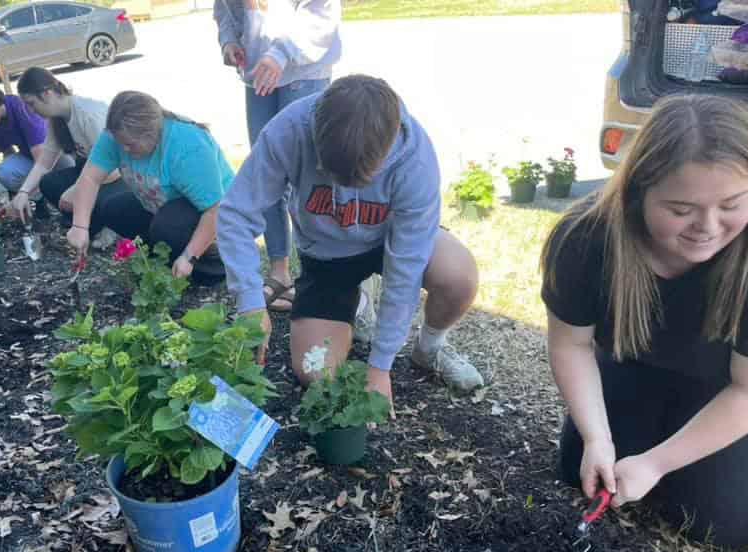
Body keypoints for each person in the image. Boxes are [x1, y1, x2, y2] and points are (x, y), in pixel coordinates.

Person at [541, 94, 748, 548]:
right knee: (579, 469)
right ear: (639, 190)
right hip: (632, 364)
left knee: (721, 526)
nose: (708, 225)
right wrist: (596, 438)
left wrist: (657, 462)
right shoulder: (585, 239)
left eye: (731, 204)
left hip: (727, 387)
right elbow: (572, 345)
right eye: (681, 210)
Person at [216, 74, 485, 402]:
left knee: (458, 276)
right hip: (326, 255)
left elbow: (406, 268)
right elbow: (236, 214)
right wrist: (251, 303)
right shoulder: (287, 131)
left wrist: (380, 367)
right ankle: (356, 303)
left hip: (389, 242)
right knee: (315, 374)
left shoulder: (415, 158)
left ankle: (429, 349)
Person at [213, 0, 341, 312]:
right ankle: (280, 271)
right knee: (266, 173)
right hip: (259, 73)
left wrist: (281, 53)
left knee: (309, 175)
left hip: (304, 71)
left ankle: (318, 271)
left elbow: (321, 13)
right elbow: (225, 8)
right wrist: (230, 40)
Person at [66, 91, 230, 285]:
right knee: (111, 208)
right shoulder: (116, 136)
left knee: (168, 225)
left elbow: (215, 209)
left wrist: (189, 257)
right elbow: (90, 178)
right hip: (163, 205)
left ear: (152, 134)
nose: (123, 149)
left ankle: (211, 267)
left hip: (219, 215)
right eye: (120, 143)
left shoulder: (187, 147)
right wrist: (79, 226)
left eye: (130, 145)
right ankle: (162, 262)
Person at [10, 68, 122, 245]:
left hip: (119, 176)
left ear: (46, 94)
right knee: (49, 183)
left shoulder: (88, 115)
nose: (31, 110)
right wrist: (23, 192)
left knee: (73, 193)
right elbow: (43, 163)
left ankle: (112, 227)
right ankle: (91, 227)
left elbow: (114, 169)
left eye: (31, 103)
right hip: (90, 170)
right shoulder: (57, 118)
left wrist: (77, 189)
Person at [0, 77, 69, 196]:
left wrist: (24, 193)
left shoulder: (22, 109)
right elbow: (8, 153)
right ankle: (39, 202)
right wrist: (15, 192)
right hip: (32, 157)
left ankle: (52, 195)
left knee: (51, 182)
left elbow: (41, 161)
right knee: (5, 172)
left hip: (57, 156)